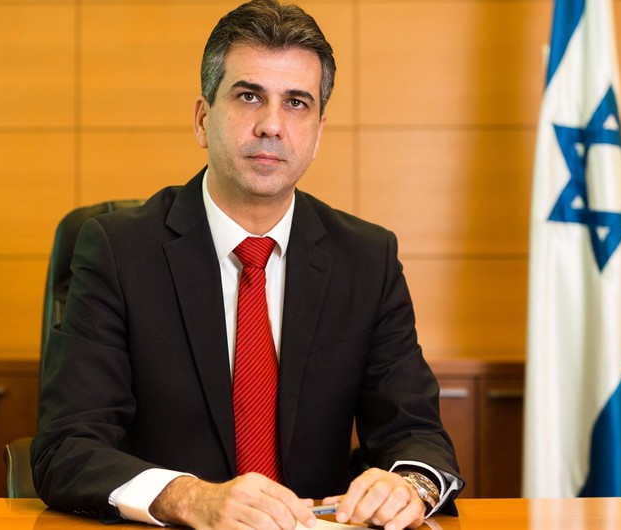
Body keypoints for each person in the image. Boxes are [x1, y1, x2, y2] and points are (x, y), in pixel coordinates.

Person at [31, 1, 464, 529]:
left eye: (297, 103)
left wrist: (409, 485)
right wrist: (189, 498)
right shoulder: (119, 252)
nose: (271, 125)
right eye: (248, 96)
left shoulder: (366, 260)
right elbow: (66, 447)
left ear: (318, 133)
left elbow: (416, 433)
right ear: (202, 118)